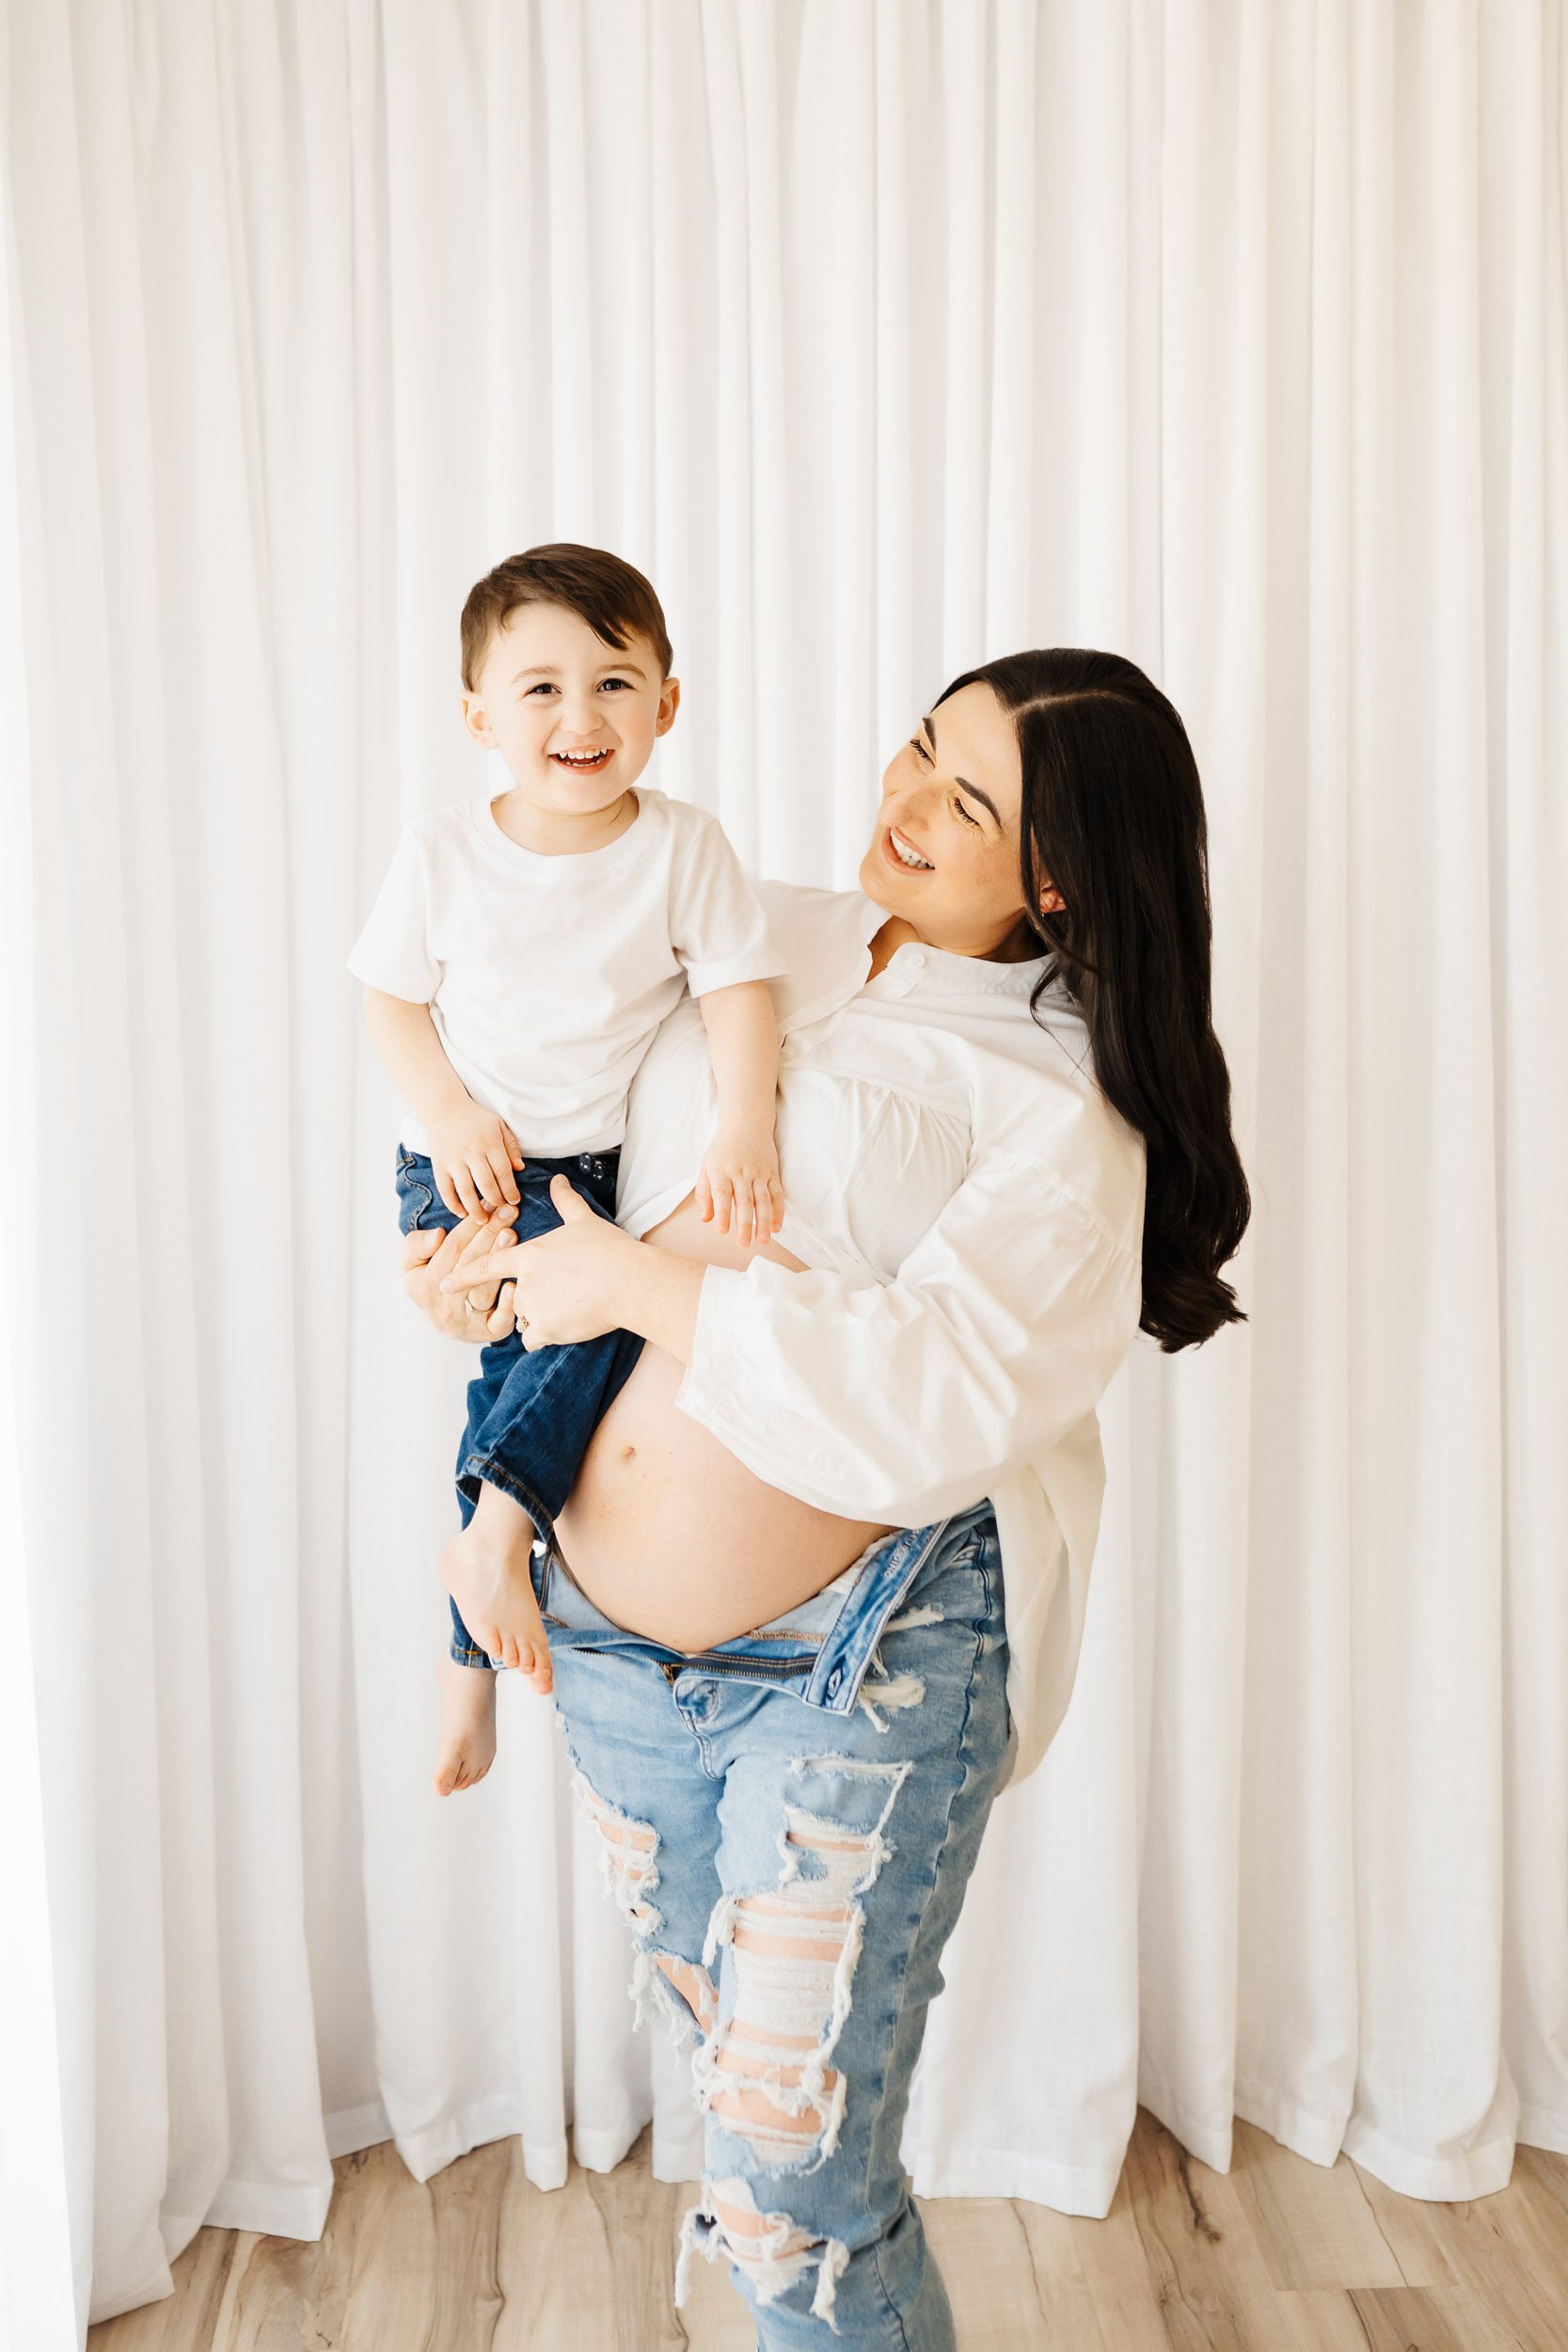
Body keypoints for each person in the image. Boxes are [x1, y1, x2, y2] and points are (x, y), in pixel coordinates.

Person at [407, 650, 1250, 2349]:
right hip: (618, 1660)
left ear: (1062, 875)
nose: (904, 805)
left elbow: (941, 1395)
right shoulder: (746, 931)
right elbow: (574, 1158)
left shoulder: (1066, 1104)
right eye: (918, 752)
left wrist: (642, 1293)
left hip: (865, 1660)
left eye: (968, 802)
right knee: (748, 2139)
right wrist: (480, 1278)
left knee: (799, 2193)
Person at [349, 545, 787, 1788]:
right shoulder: (443, 850)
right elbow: (389, 1003)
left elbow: (742, 992)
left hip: (591, 1173)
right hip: (470, 1164)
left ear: (667, 703)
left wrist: (743, 1126)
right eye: (538, 689)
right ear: (479, 714)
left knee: (532, 1388)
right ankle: (490, 1555)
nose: (579, 716)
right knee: (566, 1354)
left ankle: (467, 1655)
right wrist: (448, 1113)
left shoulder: (683, 846)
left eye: (612, 682)